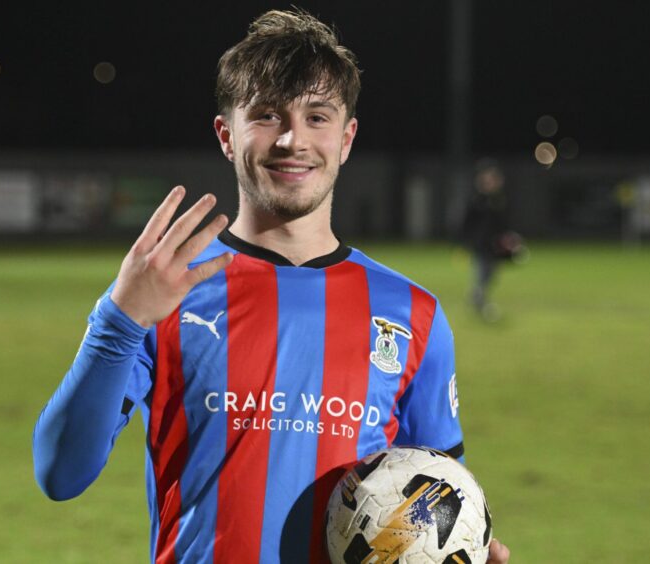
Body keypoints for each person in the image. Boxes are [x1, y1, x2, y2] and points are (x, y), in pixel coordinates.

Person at [33, 9, 510, 564]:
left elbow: (437, 501)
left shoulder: (413, 312)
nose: (291, 139)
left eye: (317, 117)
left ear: (347, 137)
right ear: (226, 135)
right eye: (265, 115)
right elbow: (60, 474)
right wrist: (118, 322)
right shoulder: (165, 290)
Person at [459, 160, 521, 321]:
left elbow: (503, 224)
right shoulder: (477, 200)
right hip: (481, 244)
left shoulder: (499, 200)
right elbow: (467, 223)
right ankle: (480, 301)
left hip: (495, 245)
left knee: (491, 274)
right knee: (483, 272)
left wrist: (509, 238)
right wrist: (465, 242)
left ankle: (477, 295)